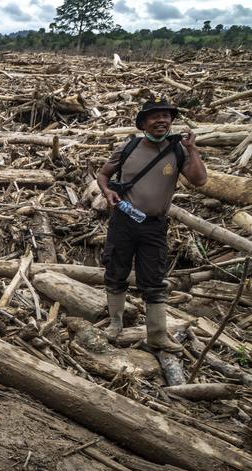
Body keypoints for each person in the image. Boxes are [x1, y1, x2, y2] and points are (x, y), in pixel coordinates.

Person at [97, 98, 207, 351]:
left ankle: (157, 335)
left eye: (166, 116)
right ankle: (115, 325)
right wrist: (107, 192)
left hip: (154, 225)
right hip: (123, 221)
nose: (162, 120)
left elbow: (200, 181)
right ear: (143, 122)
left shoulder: (178, 151)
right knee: (115, 270)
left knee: (155, 280)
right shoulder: (129, 147)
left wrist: (193, 149)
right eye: (155, 116)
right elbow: (103, 174)